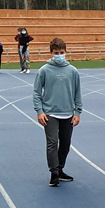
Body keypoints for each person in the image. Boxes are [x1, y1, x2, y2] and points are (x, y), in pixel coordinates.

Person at [33, 37, 82, 187]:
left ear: (65, 52)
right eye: (56, 52)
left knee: (66, 144)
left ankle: (60, 168)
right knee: (52, 143)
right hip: (50, 113)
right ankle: (54, 172)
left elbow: (77, 92)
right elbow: (36, 92)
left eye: (61, 52)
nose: (59, 54)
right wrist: (40, 111)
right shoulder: (44, 70)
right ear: (51, 53)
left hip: (68, 113)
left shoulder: (73, 71)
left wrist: (77, 112)